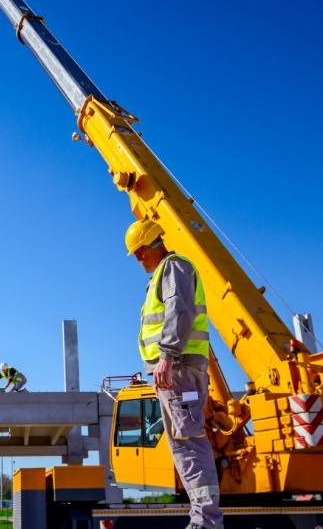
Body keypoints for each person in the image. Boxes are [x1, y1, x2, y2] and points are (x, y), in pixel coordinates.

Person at [125, 219, 224, 529]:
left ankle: (206, 521)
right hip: (173, 371)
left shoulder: (173, 267)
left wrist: (166, 357)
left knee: (188, 440)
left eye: (138, 252)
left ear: (146, 248)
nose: (138, 258)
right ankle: (202, 518)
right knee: (183, 442)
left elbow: (178, 312)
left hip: (177, 368)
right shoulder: (166, 273)